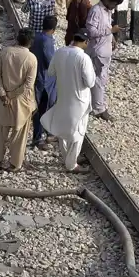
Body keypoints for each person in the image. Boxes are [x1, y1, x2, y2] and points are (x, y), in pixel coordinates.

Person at [40, 30, 96, 173]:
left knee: (63, 128)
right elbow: (90, 82)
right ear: (85, 42)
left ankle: (68, 157)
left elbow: (51, 72)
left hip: (63, 96)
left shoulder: (60, 52)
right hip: (79, 100)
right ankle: (72, 164)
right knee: (78, 131)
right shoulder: (83, 58)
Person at [0, 28, 37, 172]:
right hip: (21, 100)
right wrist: (12, 95)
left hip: (4, 99)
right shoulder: (31, 58)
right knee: (20, 133)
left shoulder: (5, 52)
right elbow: (28, 84)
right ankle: (15, 163)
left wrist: (3, 93)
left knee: (1, 130)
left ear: (17, 39)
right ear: (31, 43)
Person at [85, 0, 124, 122]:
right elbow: (91, 31)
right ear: (108, 0)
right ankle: (99, 109)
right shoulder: (96, 11)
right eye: (114, 4)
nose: (114, 7)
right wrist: (110, 30)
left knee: (101, 80)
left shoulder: (108, 11)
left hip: (105, 50)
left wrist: (112, 37)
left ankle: (93, 105)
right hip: (97, 51)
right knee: (99, 80)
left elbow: (106, 27)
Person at [31, 16, 57, 152]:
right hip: (45, 80)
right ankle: (38, 138)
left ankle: (47, 133)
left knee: (43, 108)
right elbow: (50, 62)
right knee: (42, 109)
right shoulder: (48, 41)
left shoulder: (36, 37)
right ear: (54, 29)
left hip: (36, 77)